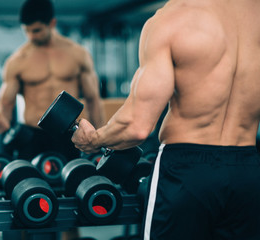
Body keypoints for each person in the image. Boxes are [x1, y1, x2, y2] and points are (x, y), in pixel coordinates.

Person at [71, 0, 260, 239]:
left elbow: (137, 126)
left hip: (187, 171)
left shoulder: (173, 17)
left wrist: (94, 139)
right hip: (247, 170)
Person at [0, 0, 104, 161]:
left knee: (74, 182)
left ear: (52, 23)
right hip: (32, 136)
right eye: (27, 31)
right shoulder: (17, 60)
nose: (31, 36)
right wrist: (2, 121)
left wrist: (99, 137)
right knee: (30, 185)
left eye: (36, 30)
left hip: (70, 135)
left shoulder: (77, 54)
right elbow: (6, 104)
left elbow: (93, 99)